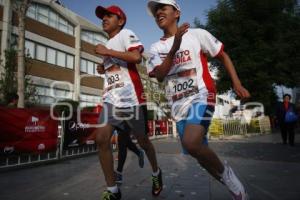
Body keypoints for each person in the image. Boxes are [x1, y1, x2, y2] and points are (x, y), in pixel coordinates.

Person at [146, 0, 250, 199]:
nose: (158, 12)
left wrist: (236, 83)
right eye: (155, 10)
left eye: (163, 8)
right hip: (178, 105)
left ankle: (227, 174)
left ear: (176, 13)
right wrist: (174, 45)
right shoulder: (156, 47)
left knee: (192, 143)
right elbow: (159, 74)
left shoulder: (196, 34)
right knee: (200, 155)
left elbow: (223, 55)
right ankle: (235, 189)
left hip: (202, 94)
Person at [94, 5, 163, 200]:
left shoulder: (126, 34)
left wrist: (107, 52)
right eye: (102, 16)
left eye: (109, 15)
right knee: (101, 138)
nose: (104, 18)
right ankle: (113, 190)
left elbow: (136, 57)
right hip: (111, 100)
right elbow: (117, 69)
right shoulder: (108, 45)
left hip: (132, 99)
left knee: (143, 141)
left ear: (121, 20)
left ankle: (156, 173)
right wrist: (104, 67)